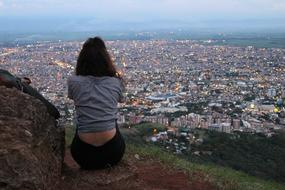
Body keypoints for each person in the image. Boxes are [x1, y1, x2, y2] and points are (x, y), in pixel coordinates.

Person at [67, 37, 125, 170]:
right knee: (112, 118)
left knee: (82, 119)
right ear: (106, 59)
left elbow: (73, 97)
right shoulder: (116, 82)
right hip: (113, 153)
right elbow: (121, 100)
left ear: (82, 60)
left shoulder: (73, 81)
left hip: (82, 155)